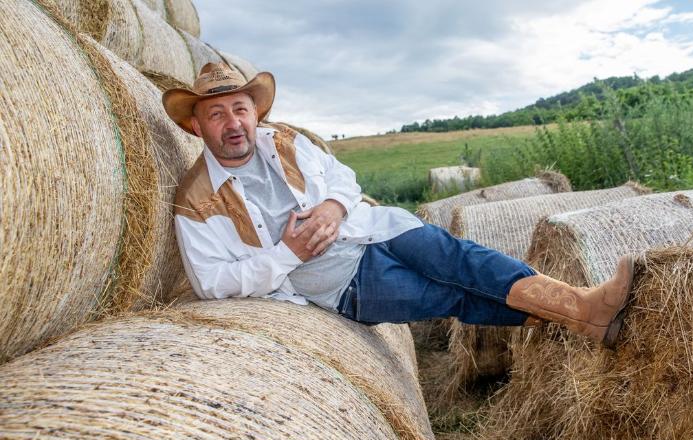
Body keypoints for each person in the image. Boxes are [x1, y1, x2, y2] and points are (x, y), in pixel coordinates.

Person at [163, 63, 635, 348]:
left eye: (239, 108)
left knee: (461, 259)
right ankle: (584, 318)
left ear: (254, 112)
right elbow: (211, 283)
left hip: (376, 229)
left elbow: (341, 178)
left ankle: (585, 307)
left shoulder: (283, 141)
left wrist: (332, 207)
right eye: (217, 113)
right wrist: (289, 254)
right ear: (196, 127)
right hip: (344, 285)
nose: (233, 123)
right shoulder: (196, 200)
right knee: (454, 296)